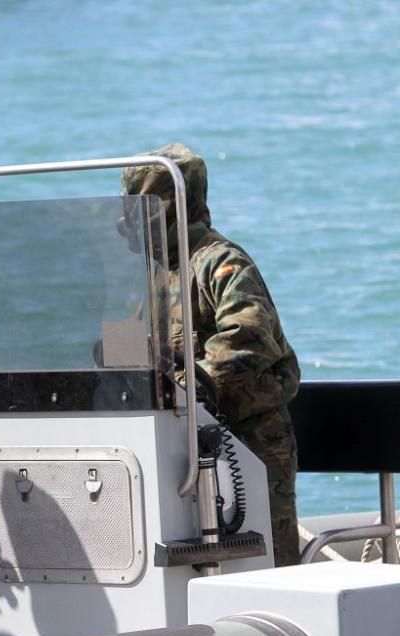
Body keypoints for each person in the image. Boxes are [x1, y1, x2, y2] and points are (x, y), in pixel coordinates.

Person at [122, 143, 302, 567]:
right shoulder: (149, 277)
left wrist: (186, 385)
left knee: (269, 567)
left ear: (168, 208)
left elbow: (250, 337)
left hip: (250, 443)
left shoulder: (220, 263)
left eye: (141, 208)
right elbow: (130, 346)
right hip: (179, 446)